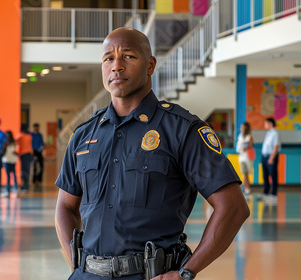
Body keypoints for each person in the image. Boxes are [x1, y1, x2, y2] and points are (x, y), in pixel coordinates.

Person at [55, 27, 250, 280]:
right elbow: (65, 207)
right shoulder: (83, 135)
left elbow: (233, 207)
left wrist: (185, 272)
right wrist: (77, 265)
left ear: (150, 65)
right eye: (108, 58)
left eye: (128, 56)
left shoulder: (182, 129)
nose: (116, 66)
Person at [261, 117, 280, 204]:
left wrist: (272, 157)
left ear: (270, 124)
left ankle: (274, 194)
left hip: (271, 157)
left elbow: (276, 146)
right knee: (265, 175)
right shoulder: (268, 133)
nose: (265, 125)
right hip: (264, 156)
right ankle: (265, 192)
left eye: (266, 123)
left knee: (273, 175)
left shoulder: (275, 133)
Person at [236, 122, 254, 196]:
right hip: (241, 157)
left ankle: (247, 189)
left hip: (247, 157)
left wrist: (245, 148)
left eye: (242, 127)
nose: (241, 128)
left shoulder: (249, 137)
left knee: (246, 174)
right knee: (244, 173)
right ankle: (246, 189)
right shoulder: (240, 136)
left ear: (246, 128)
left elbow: (250, 146)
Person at [2, 130, 19, 198]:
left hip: (12, 160)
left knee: (12, 175)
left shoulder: (14, 143)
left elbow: (16, 151)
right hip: (7, 160)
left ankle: (15, 190)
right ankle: (9, 191)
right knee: (9, 176)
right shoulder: (5, 143)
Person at [16, 126, 33, 193]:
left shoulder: (21, 135)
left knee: (24, 170)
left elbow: (15, 139)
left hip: (24, 154)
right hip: (29, 154)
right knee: (27, 169)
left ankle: (25, 185)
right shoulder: (29, 136)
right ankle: (26, 184)